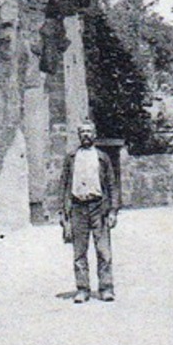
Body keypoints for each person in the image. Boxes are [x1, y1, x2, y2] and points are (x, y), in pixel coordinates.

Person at [61, 123, 116, 304]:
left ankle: (106, 288)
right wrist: (64, 213)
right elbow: (64, 185)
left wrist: (113, 211)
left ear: (94, 134)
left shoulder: (102, 157)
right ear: (78, 135)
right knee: (79, 252)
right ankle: (83, 289)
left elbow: (111, 185)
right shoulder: (71, 157)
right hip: (78, 207)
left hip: (99, 207)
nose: (85, 134)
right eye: (82, 132)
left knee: (103, 250)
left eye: (89, 131)